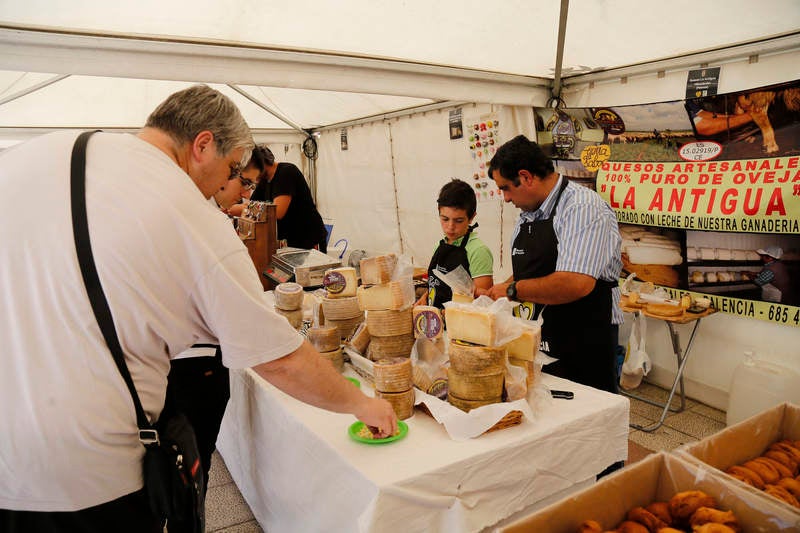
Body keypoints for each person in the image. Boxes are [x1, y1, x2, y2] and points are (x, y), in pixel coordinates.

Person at [0, 85, 396, 532]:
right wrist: (359, 404)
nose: (224, 187)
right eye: (232, 169)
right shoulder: (189, 214)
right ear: (203, 145)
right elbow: (279, 359)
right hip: (84, 483)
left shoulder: (37, 155)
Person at [478, 134, 623, 395]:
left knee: (585, 417)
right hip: (542, 335)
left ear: (525, 177)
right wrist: (506, 284)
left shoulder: (582, 208)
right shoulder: (529, 213)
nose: (506, 198)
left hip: (584, 337)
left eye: (505, 188)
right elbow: (537, 267)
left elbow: (575, 283)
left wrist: (514, 291)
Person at [417, 178, 493, 308]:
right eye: (445, 219)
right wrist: (425, 298)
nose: (450, 227)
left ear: (471, 217)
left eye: (458, 220)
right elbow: (436, 284)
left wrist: (455, 312)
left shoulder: (478, 251)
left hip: (460, 324)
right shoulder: (440, 245)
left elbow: (483, 303)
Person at [249, 145, 329, 252]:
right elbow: (251, 204)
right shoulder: (264, 180)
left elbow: (277, 212)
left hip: (308, 239)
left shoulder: (286, 172)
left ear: (262, 163)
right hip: (292, 242)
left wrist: (247, 208)